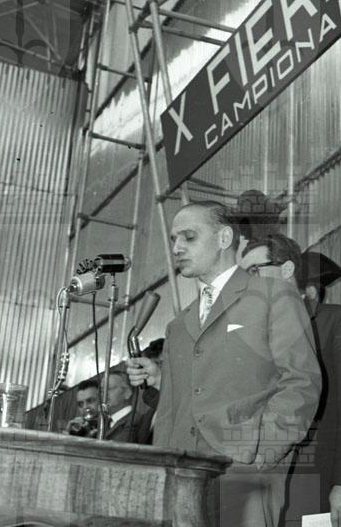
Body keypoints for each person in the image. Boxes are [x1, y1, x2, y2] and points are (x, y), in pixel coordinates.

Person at [127, 200, 321, 527]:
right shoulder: (178, 326)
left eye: (189, 237)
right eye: (173, 239)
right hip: (182, 480)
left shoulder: (274, 295)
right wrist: (164, 472)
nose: (176, 248)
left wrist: (262, 452)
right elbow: (171, 409)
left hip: (246, 473)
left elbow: (302, 382)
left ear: (224, 238)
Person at [240, 235, 341, 527]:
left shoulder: (337, 323)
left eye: (255, 270)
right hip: (263, 481)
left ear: (288, 271)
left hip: (316, 478)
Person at [66, 369, 152, 443]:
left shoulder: (137, 422)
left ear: (127, 393)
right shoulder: (104, 424)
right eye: (102, 391)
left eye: (109, 388)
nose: (103, 395)